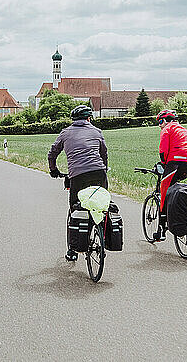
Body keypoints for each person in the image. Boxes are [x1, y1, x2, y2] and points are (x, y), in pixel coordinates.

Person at [48, 105, 108, 261]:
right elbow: (104, 154)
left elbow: (52, 153)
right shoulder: (97, 131)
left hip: (78, 176)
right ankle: (101, 237)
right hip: (99, 173)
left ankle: (73, 250)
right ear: (89, 118)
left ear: (73, 120)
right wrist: (104, 169)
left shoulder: (66, 133)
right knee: (101, 205)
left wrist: (53, 169)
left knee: (76, 208)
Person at [156, 109, 187, 240]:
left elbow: (163, 151)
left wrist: (163, 163)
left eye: (160, 121)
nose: (159, 125)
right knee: (174, 189)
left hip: (175, 164)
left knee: (163, 191)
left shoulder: (166, 130)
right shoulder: (183, 129)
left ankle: (161, 229)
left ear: (166, 120)